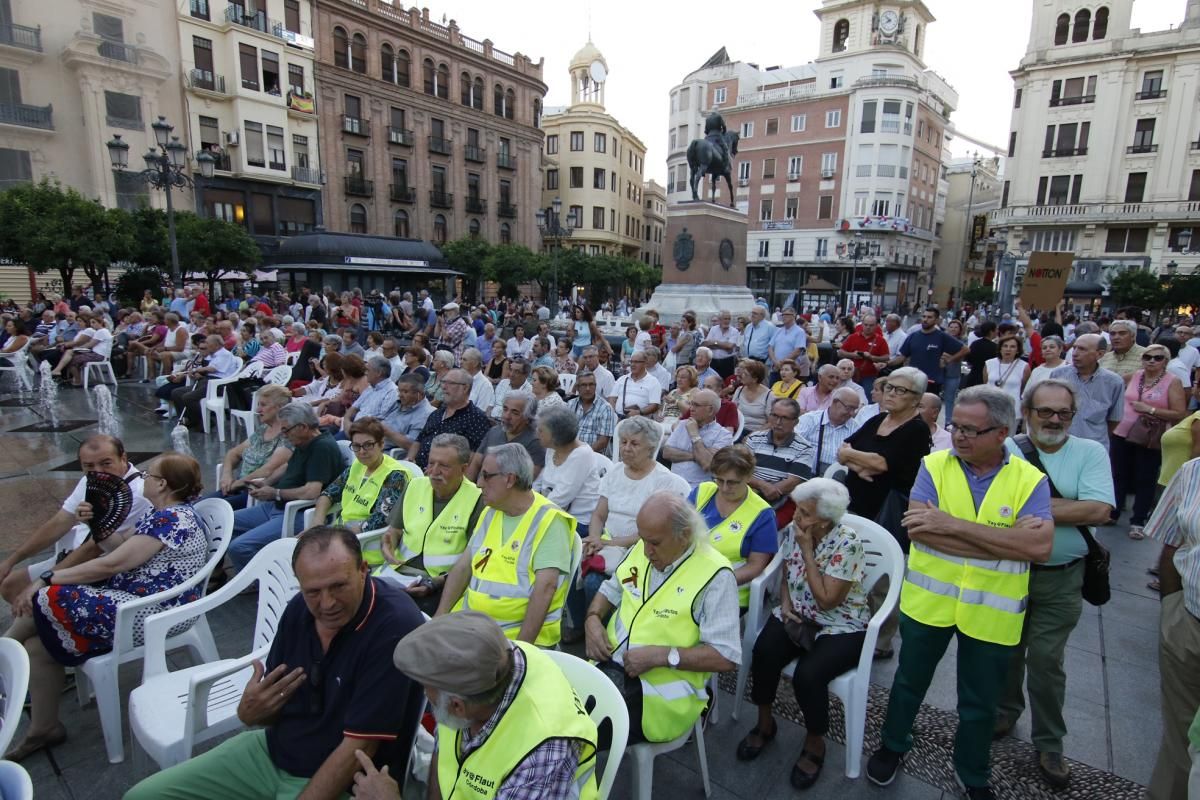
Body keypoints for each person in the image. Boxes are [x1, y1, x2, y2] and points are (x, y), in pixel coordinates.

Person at [125, 526, 425, 799]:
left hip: (343, 779)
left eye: (338, 586)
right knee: (142, 796)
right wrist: (250, 712)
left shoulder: (393, 625)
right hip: (270, 752)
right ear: (300, 585)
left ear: (363, 570)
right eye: (313, 592)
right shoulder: (298, 610)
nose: (328, 603)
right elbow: (273, 708)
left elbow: (359, 746)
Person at [867, 386, 1055, 799]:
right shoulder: (933, 466)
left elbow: (1039, 548)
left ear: (1002, 433)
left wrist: (951, 526)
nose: (960, 436)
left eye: (973, 429)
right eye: (956, 427)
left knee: (980, 701)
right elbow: (917, 529)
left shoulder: (1029, 479)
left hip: (992, 611)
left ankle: (972, 770)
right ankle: (892, 745)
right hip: (929, 603)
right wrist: (1003, 538)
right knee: (908, 683)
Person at [6, 453, 209, 760]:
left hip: (155, 612)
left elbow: (114, 563)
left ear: (163, 485)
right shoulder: (163, 513)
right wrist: (97, 524)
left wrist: (47, 578)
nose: (142, 480)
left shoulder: (172, 519)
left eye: (148, 476)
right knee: (38, 646)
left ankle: (4, 652)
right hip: (139, 599)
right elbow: (120, 548)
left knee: (47, 597)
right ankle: (43, 729)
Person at [994, 378, 1116, 789]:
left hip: (1064, 578)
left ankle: (1049, 742)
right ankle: (1006, 712)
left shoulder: (1091, 451)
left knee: (1046, 662)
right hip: (1010, 572)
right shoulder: (1005, 450)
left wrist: (1028, 507)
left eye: (1064, 412)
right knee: (1007, 651)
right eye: (1045, 411)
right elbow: (989, 506)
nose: (1055, 419)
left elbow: (1100, 511)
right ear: (1026, 413)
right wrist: (1068, 507)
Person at [360, 611, 598, 800]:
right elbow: (443, 753)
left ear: (457, 707)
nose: (425, 692)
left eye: (426, 687)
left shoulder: (542, 753)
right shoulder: (493, 661)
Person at [736, 479, 869, 790]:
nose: (797, 518)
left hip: (840, 624)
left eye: (806, 513)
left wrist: (808, 549)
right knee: (764, 651)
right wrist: (784, 603)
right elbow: (787, 572)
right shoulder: (798, 532)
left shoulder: (846, 543)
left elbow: (827, 600)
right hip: (798, 613)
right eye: (797, 509)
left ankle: (814, 741)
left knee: (808, 676)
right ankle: (765, 724)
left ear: (825, 519)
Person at [583, 492, 739, 744]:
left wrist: (661, 656)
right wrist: (592, 619)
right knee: (555, 715)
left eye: (654, 543)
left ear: (685, 534)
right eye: (643, 540)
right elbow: (612, 588)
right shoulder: (645, 546)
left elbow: (726, 656)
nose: (646, 551)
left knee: (580, 737)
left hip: (661, 694)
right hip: (610, 666)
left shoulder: (716, 575)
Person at [437, 444, 580, 648]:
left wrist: (521, 651)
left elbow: (545, 589)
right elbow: (463, 567)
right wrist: (439, 617)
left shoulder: (549, 521)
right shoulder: (491, 511)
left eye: (486, 476)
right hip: (473, 627)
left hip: (511, 639)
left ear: (510, 479)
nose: (478, 484)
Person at [226, 401, 346, 570]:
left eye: (286, 430)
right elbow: (287, 466)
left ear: (303, 427)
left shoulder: (322, 448)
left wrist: (275, 493)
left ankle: (263, 582)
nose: (283, 435)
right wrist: (264, 483)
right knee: (227, 523)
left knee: (239, 547)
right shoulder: (304, 442)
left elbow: (312, 491)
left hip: (296, 513)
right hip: (275, 506)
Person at [379, 434, 483, 616]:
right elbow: (393, 532)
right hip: (396, 574)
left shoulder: (477, 500)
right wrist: (388, 545)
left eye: (444, 466)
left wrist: (434, 583)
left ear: (463, 469)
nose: (433, 471)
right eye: (431, 463)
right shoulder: (415, 486)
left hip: (440, 584)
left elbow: (471, 563)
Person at [1145, 457, 1200, 800]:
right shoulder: (1193, 470)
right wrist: (1171, 610)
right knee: (1180, 730)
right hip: (1189, 619)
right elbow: (1171, 543)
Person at [1111, 342, 1187, 538]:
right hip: (1122, 432)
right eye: (1147, 357)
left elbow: (1179, 413)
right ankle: (1114, 511)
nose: (1152, 361)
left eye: (1157, 358)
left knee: (1145, 478)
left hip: (1150, 437)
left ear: (1165, 361)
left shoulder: (1173, 381)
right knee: (1118, 473)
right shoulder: (1136, 375)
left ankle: (1138, 520)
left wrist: (1150, 409)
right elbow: (1114, 383)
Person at [690, 445, 778, 609]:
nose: (724, 488)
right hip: (688, 576)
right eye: (719, 480)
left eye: (732, 482)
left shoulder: (763, 514)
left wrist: (712, 581)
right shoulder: (702, 491)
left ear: (748, 477)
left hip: (729, 588)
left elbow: (755, 566)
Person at [839, 366, 932, 520]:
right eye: (889, 387)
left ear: (916, 398)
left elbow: (881, 463)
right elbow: (841, 454)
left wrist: (849, 454)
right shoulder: (878, 419)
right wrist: (859, 468)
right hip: (851, 504)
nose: (891, 393)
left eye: (900, 390)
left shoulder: (917, 429)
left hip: (884, 512)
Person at [305, 419, 408, 534]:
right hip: (340, 530)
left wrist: (332, 536)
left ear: (381, 444)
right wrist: (317, 521)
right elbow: (328, 494)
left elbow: (379, 519)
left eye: (368, 445)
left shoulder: (396, 475)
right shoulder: (358, 465)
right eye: (356, 446)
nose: (362, 452)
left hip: (364, 540)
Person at [210, 384, 295, 510]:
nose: (258, 409)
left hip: (255, 493)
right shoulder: (263, 430)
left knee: (210, 509)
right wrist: (227, 474)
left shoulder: (287, 436)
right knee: (201, 505)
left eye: (263, 405)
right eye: (259, 404)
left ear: (280, 408)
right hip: (237, 487)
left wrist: (238, 484)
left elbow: (268, 470)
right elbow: (233, 453)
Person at [1049, 334, 1125, 450]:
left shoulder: (1113, 382)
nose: (1075, 353)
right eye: (1074, 348)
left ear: (1100, 354)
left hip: (1094, 448)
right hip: (1059, 445)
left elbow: (1114, 420)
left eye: (1082, 349)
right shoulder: (1058, 375)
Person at [534, 406, 603, 532]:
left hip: (577, 522)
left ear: (556, 435)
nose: (536, 433)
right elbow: (539, 483)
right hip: (550, 512)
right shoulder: (552, 448)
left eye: (541, 430)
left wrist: (530, 512)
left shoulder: (582, 455)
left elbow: (561, 497)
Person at [409, 369, 493, 468]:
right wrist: (410, 460)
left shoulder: (476, 418)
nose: (443, 387)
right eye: (443, 382)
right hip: (417, 470)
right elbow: (419, 440)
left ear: (465, 388)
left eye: (450, 383)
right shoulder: (436, 413)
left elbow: (472, 458)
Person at [664, 389, 735, 487]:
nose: (691, 408)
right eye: (691, 404)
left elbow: (707, 464)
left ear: (710, 410)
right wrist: (698, 455)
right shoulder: (682, 424)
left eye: (696, 405)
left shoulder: (724, 435)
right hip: (673, 484)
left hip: (700, 488)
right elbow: (667, 453)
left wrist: (694, 435)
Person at [468, 392, 545, 482]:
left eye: (515, 413)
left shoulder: (535, 442)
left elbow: (526, 482)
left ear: (528, 418)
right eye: (505, 409)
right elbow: (476, 464)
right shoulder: (494, 431)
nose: (507, 416)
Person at [890, 306, 968, 395]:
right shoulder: (913, 336)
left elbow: (965, 350)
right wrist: (887, 363)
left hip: (932, 381)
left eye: (929, 317)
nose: (925, 319)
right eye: (924, 316)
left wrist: (949, 360)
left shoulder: (942, 336)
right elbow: (902, 357)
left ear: (936, 320)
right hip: (914, 380)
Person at [795, 386, 862, 477]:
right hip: (810, 475)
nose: (852, 413)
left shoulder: (856, 428)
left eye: (855, 409)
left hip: (842, 477)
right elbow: (793, 446)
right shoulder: (810, 420)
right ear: (835, 402)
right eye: (849, 408)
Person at [341, 356, 400, 434]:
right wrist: (347, 421)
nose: (365, 373)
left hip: (366, 434)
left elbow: (380, 421)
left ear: (379, 373)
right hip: (352, 428)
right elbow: (353, 408)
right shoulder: (370, 388)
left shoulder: (392, 392)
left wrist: (352, 429)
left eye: (368, 370)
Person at [567, 370, 618, 457]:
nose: (588, 388)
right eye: (584, 385)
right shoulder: (570, 404)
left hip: (593, 455)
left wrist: (581, 454)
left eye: (591, 384)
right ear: (577, 388)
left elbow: (603, 442)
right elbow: (564, 432)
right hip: (570, 452)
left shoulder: (605, 407)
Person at [1159, 382, 1200, 490]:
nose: (1192, 387)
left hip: (1183, 484)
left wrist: (1190, 481)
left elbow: (1197, 453)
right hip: (1174, 481)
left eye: (1195, 384)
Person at [380, 373, 436, 453]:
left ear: (419, 394)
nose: (400, 395)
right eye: (399, 391)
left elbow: (412, 445)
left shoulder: (426, 414)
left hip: (389, 454)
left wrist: (387, 432)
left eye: (405, 392)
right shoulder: (398, 403)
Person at [838, 313, 890, 396]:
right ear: (862, 324)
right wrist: (853, 355)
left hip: (869, 376)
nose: (868, 327)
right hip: (851, 375)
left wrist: (871, 357)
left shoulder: (881, 340)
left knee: (867, 399)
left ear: (876, 326)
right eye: (866, 325)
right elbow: (840, 352)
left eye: (871, 325)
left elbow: (886, 357)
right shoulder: (853, 337)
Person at [983, 334, 1030, 421]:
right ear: (1000, 348)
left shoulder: (1024, 366)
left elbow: (1023, 389)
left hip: (1012, 410)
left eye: (1012, 347)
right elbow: (986, 384)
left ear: (1017, 350)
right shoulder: (989, 363)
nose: (1008, 349)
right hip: (991, 407)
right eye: (1005, 346)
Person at [608, 350, 662, 418]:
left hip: (640, 420)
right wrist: (613, 414)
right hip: (619, 418)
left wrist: (639, 412)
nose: (633, 364)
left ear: (645, 363)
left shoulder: (653, 382)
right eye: (631, 362)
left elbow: (654, 405)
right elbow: (612, 398)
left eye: (636, 362)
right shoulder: (622, 379)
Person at [768, 307, 809, 382]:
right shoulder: (778, 330)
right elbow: (770, 347)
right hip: (775, 369)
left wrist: (782, 363)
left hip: (790, 370)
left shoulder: (799, 332)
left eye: (786, 314)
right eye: (782, 315)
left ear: (794, 316)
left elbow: (797, 351)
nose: (783, 317)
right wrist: (775, 362)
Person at [733, 358, 774, 434]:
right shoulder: (739, 390)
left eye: (745, 374)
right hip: (739, 430)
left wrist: (754, 434)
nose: (741, 376)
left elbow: (771, 423)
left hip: (759, 432)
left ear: (755, 379)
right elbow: (732, 413)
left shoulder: (769, 395)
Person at [702, 309, 740, 378]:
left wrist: (714, 342)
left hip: (727, 362)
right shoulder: (713, 329)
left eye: (729, 319)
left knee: (727, 382)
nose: (727, 321)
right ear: (719, 320)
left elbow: (729, 346)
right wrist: (724, 346)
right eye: (725, 319)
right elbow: (706, 344)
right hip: (713, 361)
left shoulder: (734, 331)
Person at [459, 347, 496, 414]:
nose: (460, 362)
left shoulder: (485, 385)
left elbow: (481, 412)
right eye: (461, 359)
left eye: (464, 360)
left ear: (475, 363)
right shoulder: (460, 379)